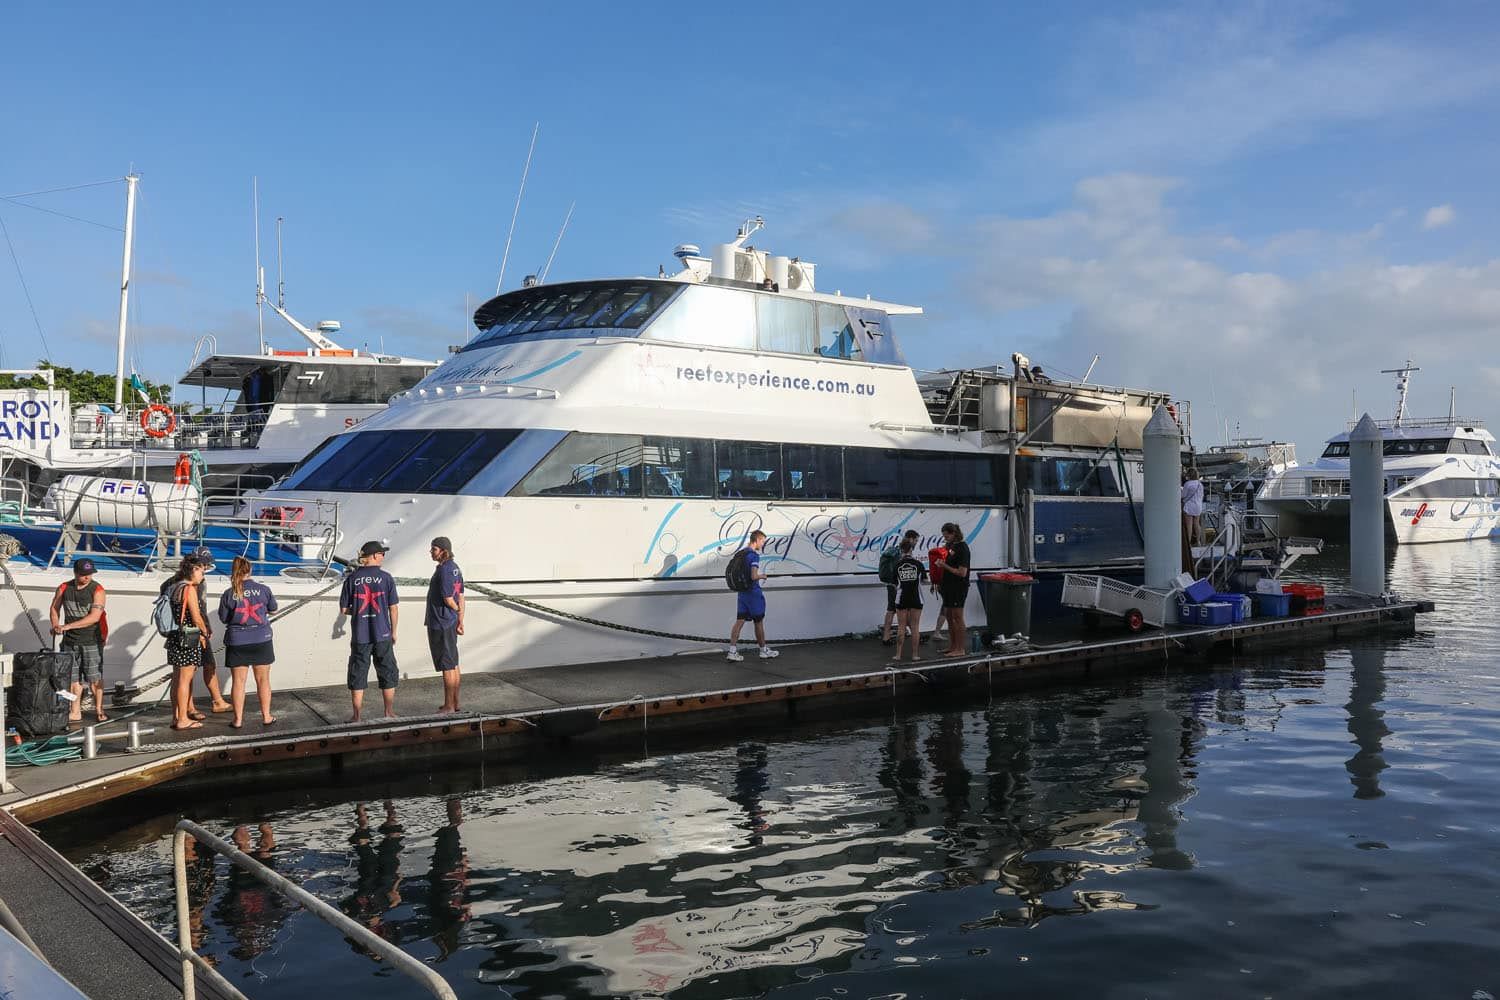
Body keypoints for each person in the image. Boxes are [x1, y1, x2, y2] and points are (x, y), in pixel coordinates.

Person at [341, 540, 400, 721]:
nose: (383, 556)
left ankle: (357, 715)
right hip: (382, 633)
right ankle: (388, 712)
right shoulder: (386, 578)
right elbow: (393, 608)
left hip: (361, 634)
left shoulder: (351, 579)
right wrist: (394, 631)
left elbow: (344, 609)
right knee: (387, 670)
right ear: (374, 555)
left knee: (358, 672)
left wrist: (361, 611)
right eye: (382, 553)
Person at [218, 556, 278, 728]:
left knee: (239, 682)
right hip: (261, 640)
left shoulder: (229, 593)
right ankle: (266, 716)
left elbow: (224, 618)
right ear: (250, 570)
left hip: (237, 641)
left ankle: (237, 720)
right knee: (263, 680)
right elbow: (273, 610)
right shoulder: (264, 589)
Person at [49, 558, 108, 724]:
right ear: (75, 573)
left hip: (91, 641)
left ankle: (99, 710)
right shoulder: (64, 587)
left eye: (90, 574)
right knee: (73, 679)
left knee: (94, 678)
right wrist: (55, 625)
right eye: (84, 575)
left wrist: (66, 626)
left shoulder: (98, 590)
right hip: (69, 642)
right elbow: (54, 608)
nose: (87, 577)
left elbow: (94, 618)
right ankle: (75, 712)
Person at [166, 558, 212, 730]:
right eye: (201, 571)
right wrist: (205, 632)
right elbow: (196, 616)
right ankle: (184, 719)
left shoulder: (174, 586)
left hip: (174, 636)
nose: (202, 575)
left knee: (177, 678)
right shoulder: (189, 589)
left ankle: (176, 716)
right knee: (185, 679)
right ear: (193, 570)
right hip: (188, 637)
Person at [425, 536, 465, 714]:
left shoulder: (444, 570)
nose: (431, 552)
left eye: (434, 549)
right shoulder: (455, 568)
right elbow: (461, 595)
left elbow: (449, 599)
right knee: (454, 662)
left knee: (447, 665)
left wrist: (456, 611)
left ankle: (449, 706)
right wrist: (460, 619)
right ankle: (455, 703)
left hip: (441, 622)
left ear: (443, 551)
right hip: (450, 621)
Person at [726, 530, 777, 662]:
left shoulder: (742, 553)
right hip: (753, 593)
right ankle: (763, 650)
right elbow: (753, 576)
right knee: (758, 622)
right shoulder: (754, 556)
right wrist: (763, 575)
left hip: (742, 593)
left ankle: (732, 651)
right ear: (758, 540)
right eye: (763, 541)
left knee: (739, 621)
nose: (763, 544)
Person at [932, 522, 971, 657]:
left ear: (954, 533)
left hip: (958, 587)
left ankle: (960, 649)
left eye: (947, 535)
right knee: (948, 616)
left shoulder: (962, 548)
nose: (945, 538)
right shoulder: (950, 547)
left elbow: (962, 572)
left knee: (957, 617)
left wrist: (944, 566)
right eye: (944, 536)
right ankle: (952, 646)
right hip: (947, 587)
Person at [880, 529, 922, 645]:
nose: (916, 543)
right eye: (916, 540)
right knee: (899, 610)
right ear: (911, 539)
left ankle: (886, 636)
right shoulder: (903, 551)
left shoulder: (895, 549)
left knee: (892, 609)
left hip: (891, 584)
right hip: (897, 585)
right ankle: (913, 634)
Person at [890, 538, 927, 664]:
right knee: (915, 627)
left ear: (901, 550)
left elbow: (894, 584)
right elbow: (924, 581)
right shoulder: (919, 564)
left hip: (902, 598)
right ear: (911, 549)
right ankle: (915, 655)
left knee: (901, 626)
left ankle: (898, 655)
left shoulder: (897, 565)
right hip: (916, 598)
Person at [1181, 469, 1205, 546]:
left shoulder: (1187, 484)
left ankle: (1189, 543)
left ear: (1189, 475)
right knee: (1197, 524)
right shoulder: (1200, 484)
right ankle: (1198, 541)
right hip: (1198, 506)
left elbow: (1183, 495)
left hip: (1189, 506)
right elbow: (1202, 496)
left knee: (1189, 525)